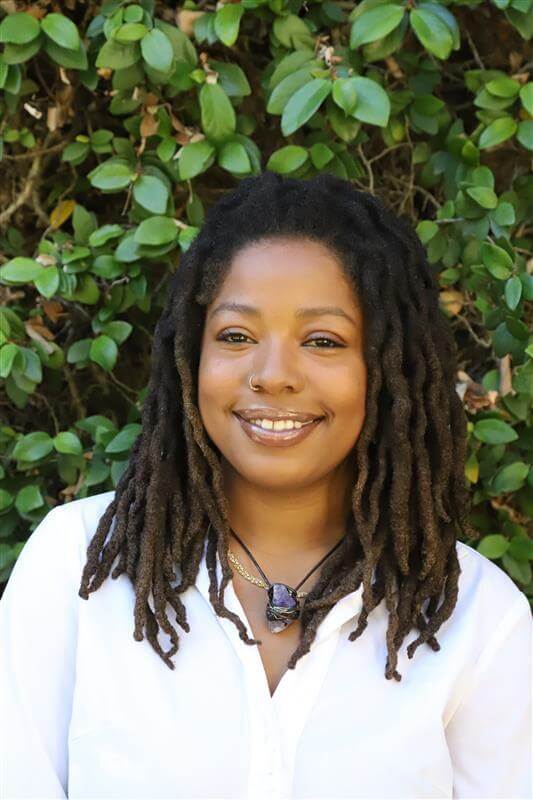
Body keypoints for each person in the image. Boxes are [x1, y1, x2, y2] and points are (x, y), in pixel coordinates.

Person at [0, 171, 530, 800]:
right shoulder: (76, 567)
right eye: (237, 336)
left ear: (387, 369)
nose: (273, 375)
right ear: (193, 357)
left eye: (323, 340)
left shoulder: (476, 617)